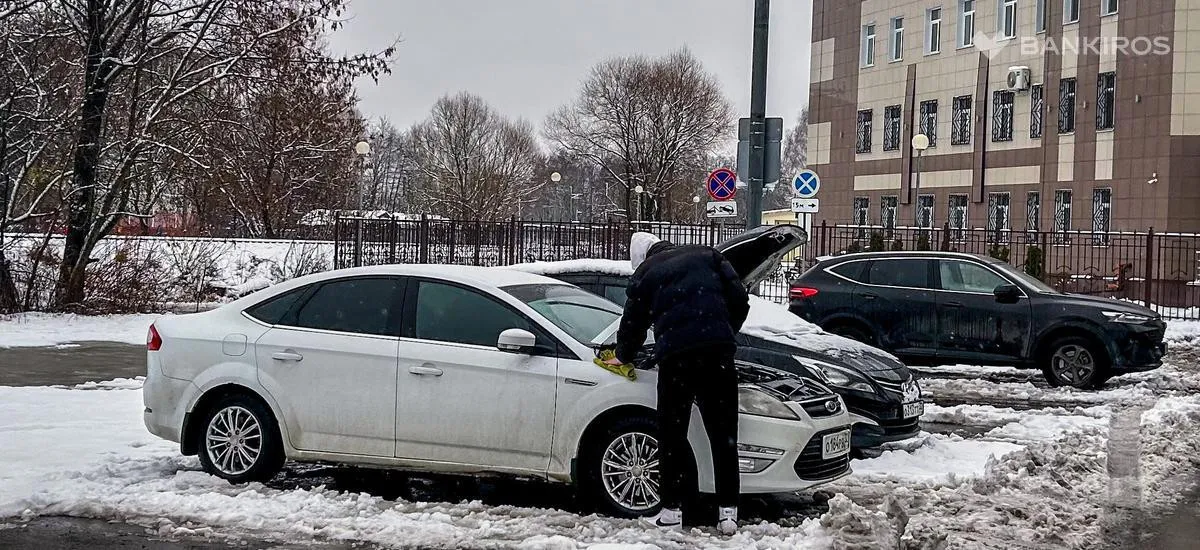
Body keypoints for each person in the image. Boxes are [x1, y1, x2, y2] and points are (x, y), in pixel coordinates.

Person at [603, 231, 750, 535]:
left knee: (672, 434)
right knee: (724, 435)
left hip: (677, 359)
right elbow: (740, 299)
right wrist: (720, 332)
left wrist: (623, 355)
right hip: (718, 355)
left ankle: (671, 511)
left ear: (641, 258)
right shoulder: (707, 255)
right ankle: (728, 515)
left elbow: (633, 323)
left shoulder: (647, 273)